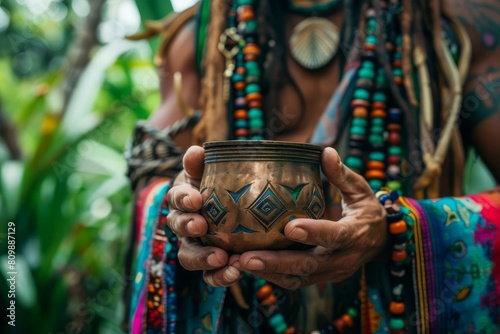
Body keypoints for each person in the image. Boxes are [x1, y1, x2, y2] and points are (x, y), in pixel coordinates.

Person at [122, 0, 500, 333]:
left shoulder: (456, 20)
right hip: (242, 312)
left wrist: (393, 228)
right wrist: (179, 210)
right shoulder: (205, 35)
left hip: (400, 312)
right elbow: (151, 175)